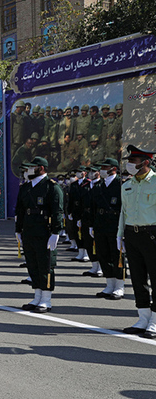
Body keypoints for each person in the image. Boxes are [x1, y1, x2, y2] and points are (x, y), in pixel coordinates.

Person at [15, 157, 64, 313]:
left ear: (41, 168)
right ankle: (37, 296)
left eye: (32, 167)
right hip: (29, 230)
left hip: (45, 231)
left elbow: (57, 211)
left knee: (46, 265)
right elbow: (20, 210)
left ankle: (46, 299)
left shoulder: (51, 187)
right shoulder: (26, 187)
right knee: (32, 264)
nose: (28, 170)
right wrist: (18, 229)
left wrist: (56, 232)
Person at [117, 145, 156, 338]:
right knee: (138, 279)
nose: (130, 165)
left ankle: (155, 321)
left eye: (133, 161)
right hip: (132, 234)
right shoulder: (127, 184)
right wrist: (120, 235)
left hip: (152, 235)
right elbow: (123, 213)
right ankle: (143, 317)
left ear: (145, 162)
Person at [87, 158, 126, 300]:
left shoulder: (121, 184)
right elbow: (93, 207)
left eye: (105, 167)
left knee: (117, 256)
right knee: (103, 255)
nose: (102, 170)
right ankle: (109, 284)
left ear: (113, 169)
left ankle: (120, 286)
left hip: (115, 224)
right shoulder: (98, 186)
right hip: (100, 224)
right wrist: (91, 225)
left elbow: (125, 208)